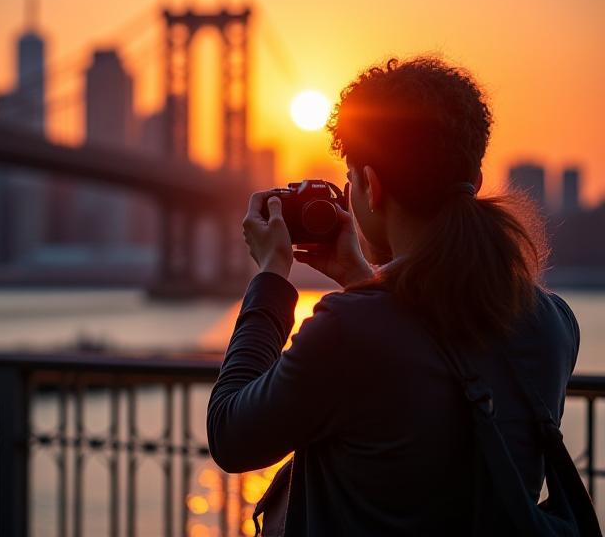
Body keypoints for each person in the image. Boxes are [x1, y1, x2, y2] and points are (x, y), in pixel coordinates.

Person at [206, 56, 580, 535]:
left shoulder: (349, 329)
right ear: (476, 181)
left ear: (371, 185)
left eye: (352, 179)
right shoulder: (553, 323)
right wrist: (361, 279)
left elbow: (231, 435)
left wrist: (272, 277)